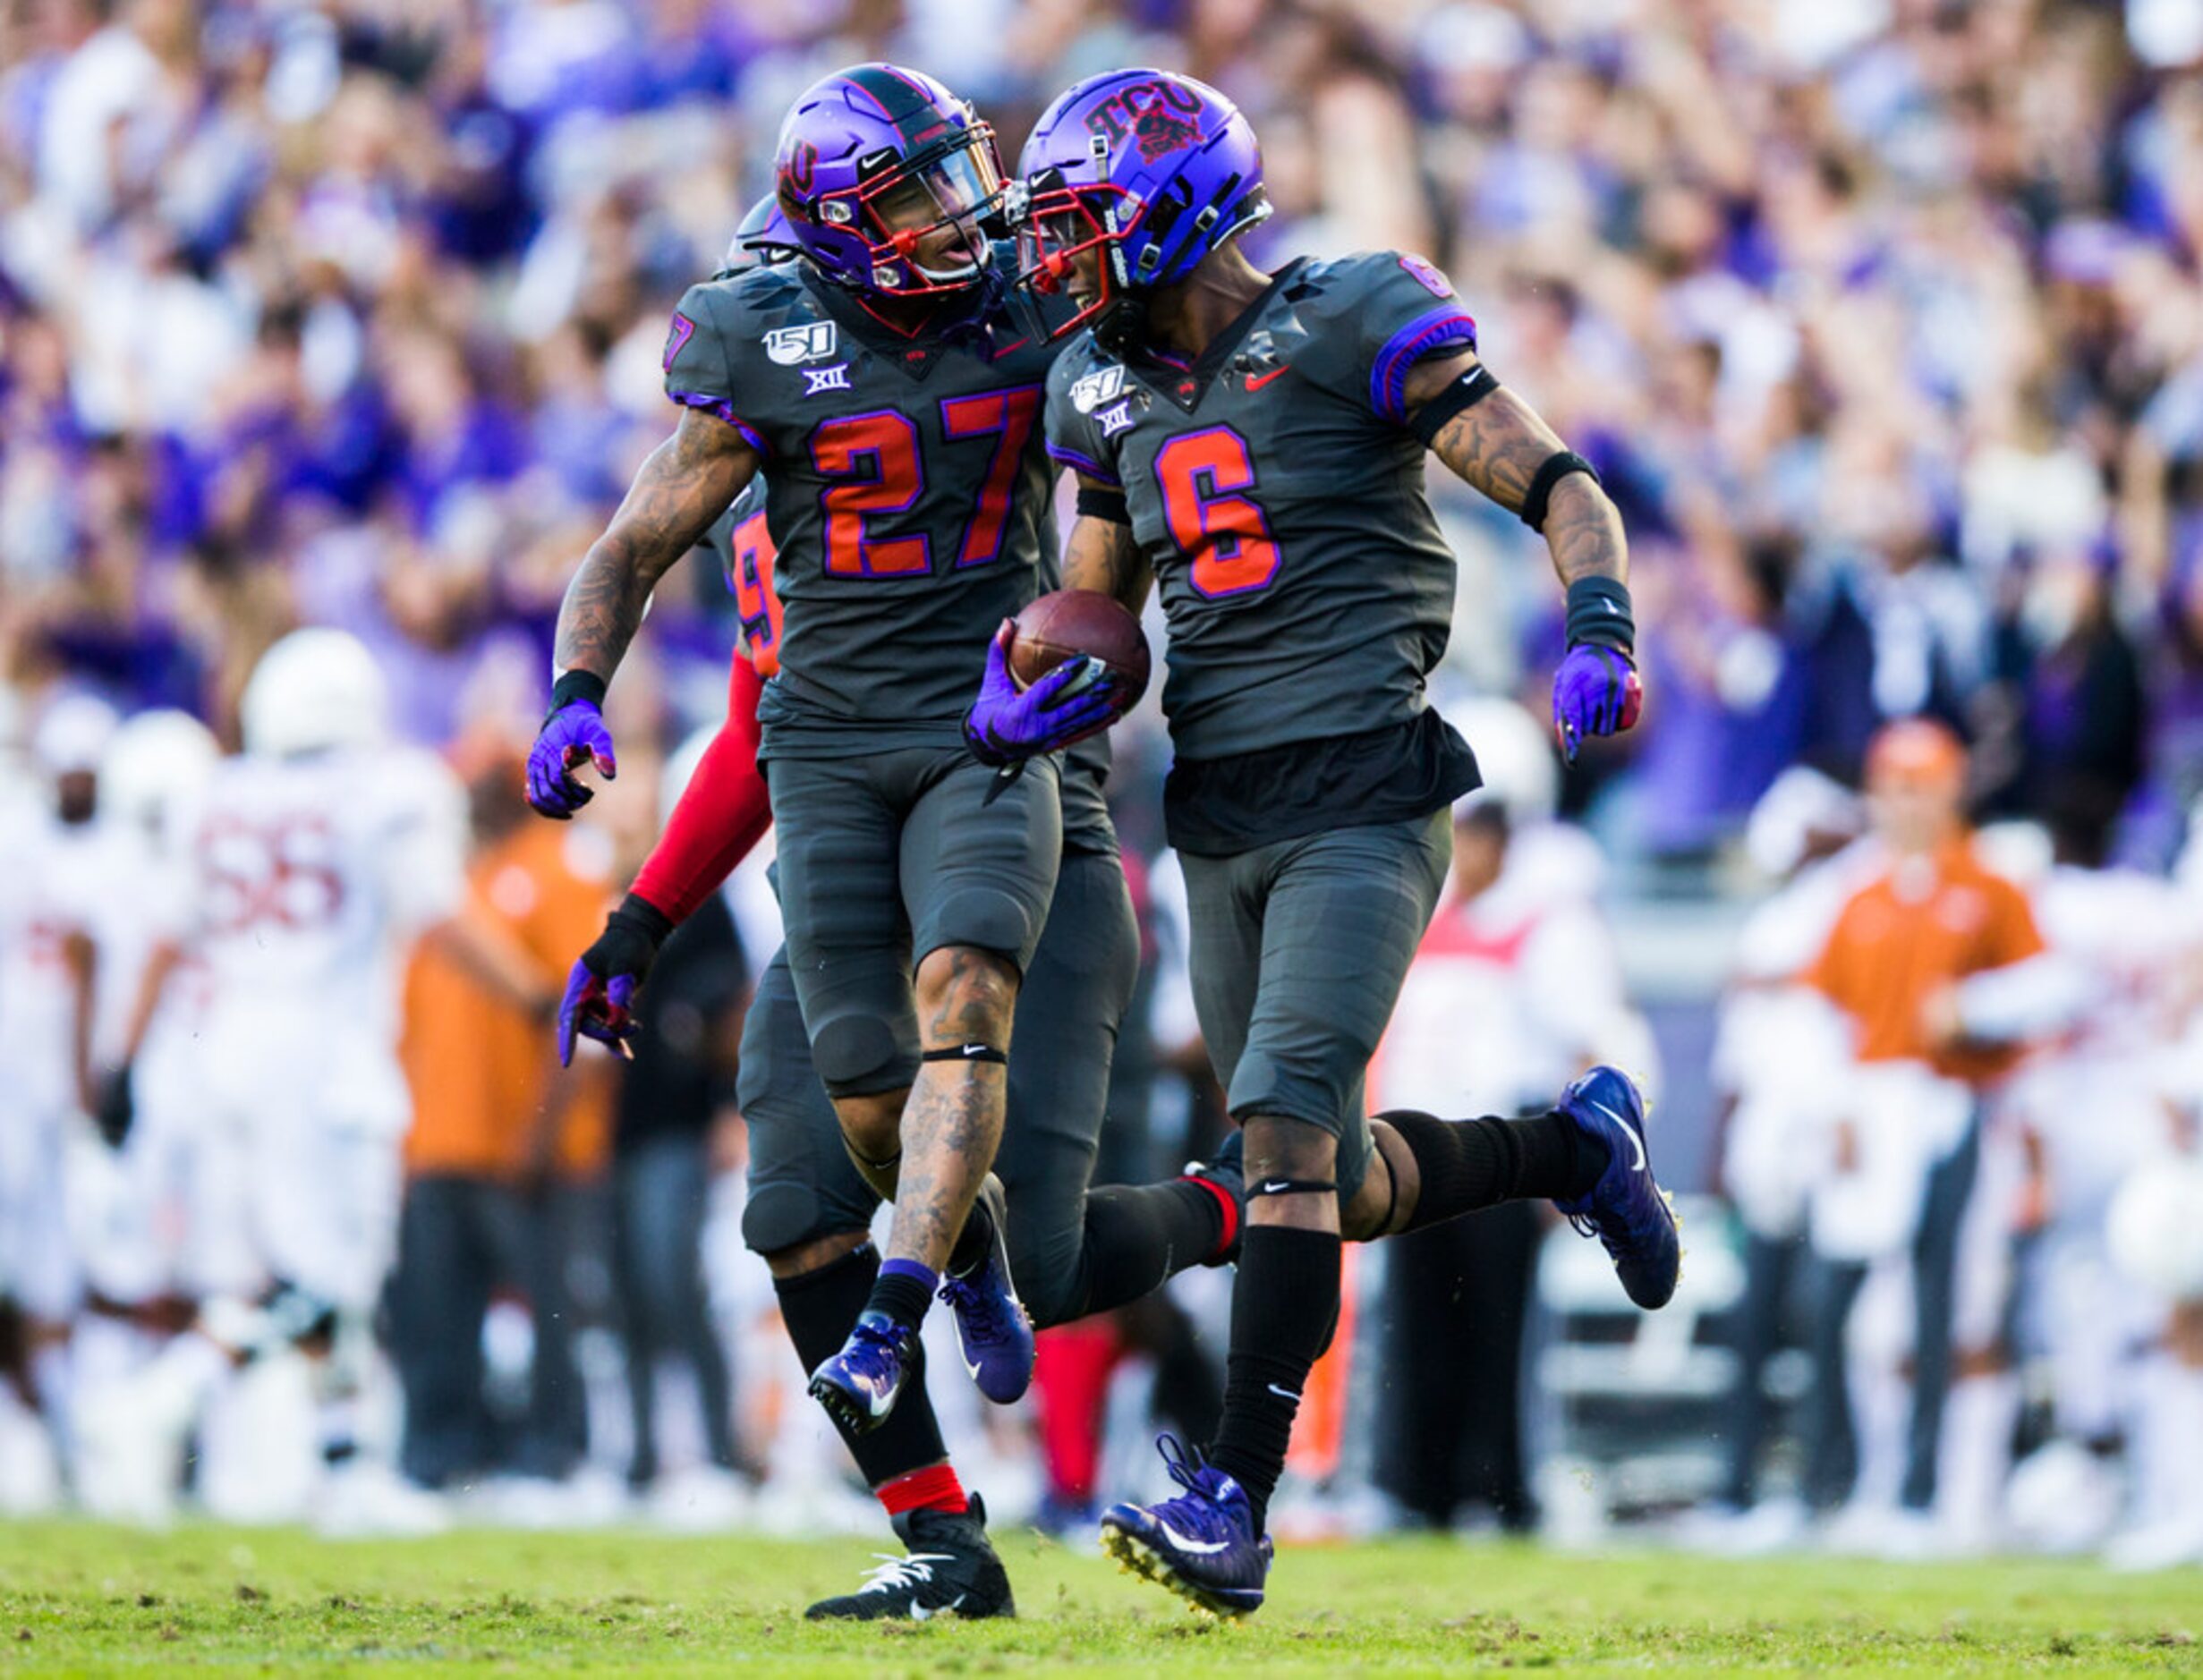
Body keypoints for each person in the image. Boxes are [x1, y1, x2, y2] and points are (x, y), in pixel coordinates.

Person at [988, 68, 1680, 1617]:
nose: (1058, 258)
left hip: (1367, 783)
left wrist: (1600, 616)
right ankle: (1574, 1146)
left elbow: (1555, 476)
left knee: (1288, 1138)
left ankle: (1232, 1494)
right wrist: (1044, 677)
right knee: (1320, 1172)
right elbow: (1107, 617)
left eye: (1080, 221)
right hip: (1217, 807)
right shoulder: (1092, 388)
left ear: (1173, 204)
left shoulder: (1354, 310)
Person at [532, 134, 1240, 1616]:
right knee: (797, 1196)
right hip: (855, 814)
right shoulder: (772, 474)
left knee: (1037, 1260)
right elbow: (749, 726)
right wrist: (642, 916)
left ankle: (1274, 1198)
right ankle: (942, 1539)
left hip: (1018, 803)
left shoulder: (1011, 335)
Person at [86, 630, 467, 1534]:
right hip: (325, 1059)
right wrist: (543, 992)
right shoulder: (380, 791)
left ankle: (343, 1473)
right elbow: (441, 916)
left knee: (310, 1278)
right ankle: (161, 1398)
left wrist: (121, 1065)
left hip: (229, 1052)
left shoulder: (216, 795)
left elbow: (167, 938)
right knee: (336, 1272)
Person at [1374, 700, 1659, 1534]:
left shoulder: (1552, 922)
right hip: (1418, 1151)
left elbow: (1595, 1045)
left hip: (1505, 1151)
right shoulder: (1422, 915)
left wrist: (1578, 1162)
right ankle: (1416, 1486)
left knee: (1500, 1328)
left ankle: (1498, 1486)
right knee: (1419, 1324)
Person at [1799, 718, 2063, 1548]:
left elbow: (2049, 984)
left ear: (1951, 789)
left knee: (1939, 1297)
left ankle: (1925, 1491)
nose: (1906, 804)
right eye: (1893, 786)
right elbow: (1824, 1011)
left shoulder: (1988, 883)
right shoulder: (1861, 892)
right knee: (1842, 1304)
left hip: (1949, 1104)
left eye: (1921, 785)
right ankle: (1841, 1485)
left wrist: (1974, 1010)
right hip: (1873, 1106)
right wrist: (1834, 1106)